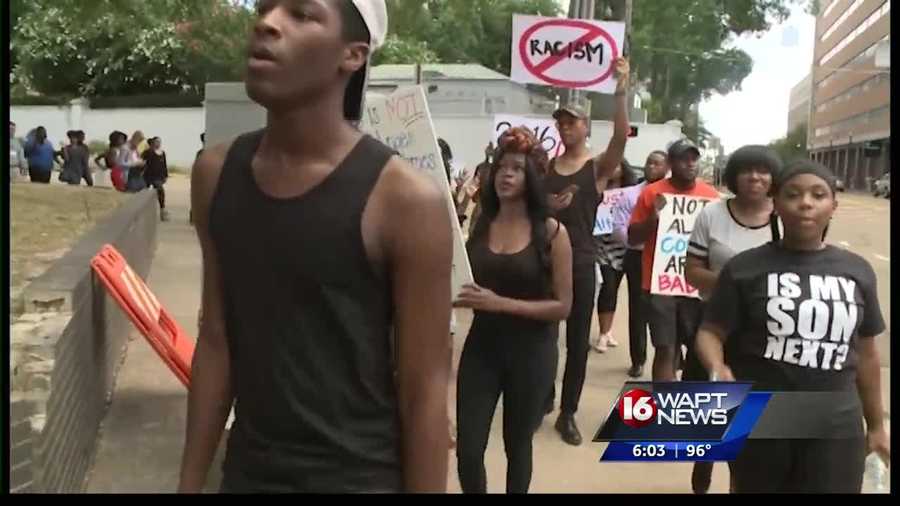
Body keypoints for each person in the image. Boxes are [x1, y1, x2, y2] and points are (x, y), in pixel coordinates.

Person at [178, 0, 452, 494]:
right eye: (264, 7)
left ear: (352, 54)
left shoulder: (405, 200)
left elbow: (424, 388)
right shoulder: (215, 175)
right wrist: (190, 484)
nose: (266, 22)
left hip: (361, 480)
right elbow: (217, 340)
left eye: (302, 14)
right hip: (248, 476)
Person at [695, 160, 889, 493]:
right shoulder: (746, 268)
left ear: (833, 206)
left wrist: (876, 425)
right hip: (763, 417)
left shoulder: (857, 271)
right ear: (776, 205)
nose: (806, 203)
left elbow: (867, 354)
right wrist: (717, 365)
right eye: (793, 194)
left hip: (836, 423)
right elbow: (711, 331)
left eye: (818, 195)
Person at [454, 127, 572, 494]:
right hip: (482, 350)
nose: (506, 174)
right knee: (469, 450)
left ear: (532, 178)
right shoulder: (481, 223)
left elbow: (562, 306)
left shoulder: (552, 233)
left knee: (516, 446)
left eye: (517, 169)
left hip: (531, 353)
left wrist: (498, 303)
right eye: (501, 167)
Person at [684, 144, 782, 494]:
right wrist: (738, 288)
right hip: (715, 328)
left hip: (765, 335)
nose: (755, 177)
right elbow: (693, 271)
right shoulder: (712, 214)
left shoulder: (783, 217)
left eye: (763, 170)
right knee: (710, 416)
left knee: (750, 424)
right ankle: (701, 476)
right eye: (747, 170)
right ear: (734, 176)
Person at [542, 57, 631, 446]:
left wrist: (621, 90)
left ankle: (568, 412)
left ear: (585, 127)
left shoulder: (597, 168)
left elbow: (621, 137)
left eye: (572, 121)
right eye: (560, 121)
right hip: (543, 258)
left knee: (578, 340)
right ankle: (542, 396)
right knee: (543, 334)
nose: (564, 126)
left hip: (579, 259)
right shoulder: (547, 165)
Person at [627, 139, 719, 382]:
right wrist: (653, 220)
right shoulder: (652, 193)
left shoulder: (711, 198)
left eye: (693, 158)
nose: (690, 164)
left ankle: (690, 406)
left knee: (700, 350)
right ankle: (665, 407)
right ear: (670, 163)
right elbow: (632, 236)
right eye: (683, 158)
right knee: (666, 348)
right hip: (660, 285)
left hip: (697, 287)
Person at [611, 150, 668, 378]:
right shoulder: (631, 195)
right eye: (648, 162)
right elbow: (618, 229)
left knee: (668, 309)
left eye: (657, 163)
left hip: (666, 260)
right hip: (637, 257)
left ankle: (670, 356)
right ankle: (639, 359)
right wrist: (639, 240)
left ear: (667, 168)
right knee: (638, 310)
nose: (651, 166)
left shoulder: (677, 197)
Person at [591, 159, 639, 353]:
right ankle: (602, 334)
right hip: (602, 247)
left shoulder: (630, 192)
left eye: (617, 166)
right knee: (607, 289)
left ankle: (607, 330)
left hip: (623, 247)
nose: (613, 169)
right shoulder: (597, 187)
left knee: (615, 289)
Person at [142, 137, 170, 221]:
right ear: (153, 142)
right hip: (148, 176)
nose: (158, 143)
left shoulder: (162, 153)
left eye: (159, 142)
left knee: (160, 191)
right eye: (156, 142)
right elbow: (142, 161)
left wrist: (165, 175)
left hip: (158, 177)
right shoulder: (147, 152)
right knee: (144, 193)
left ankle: (162, 210)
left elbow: (164, 165)